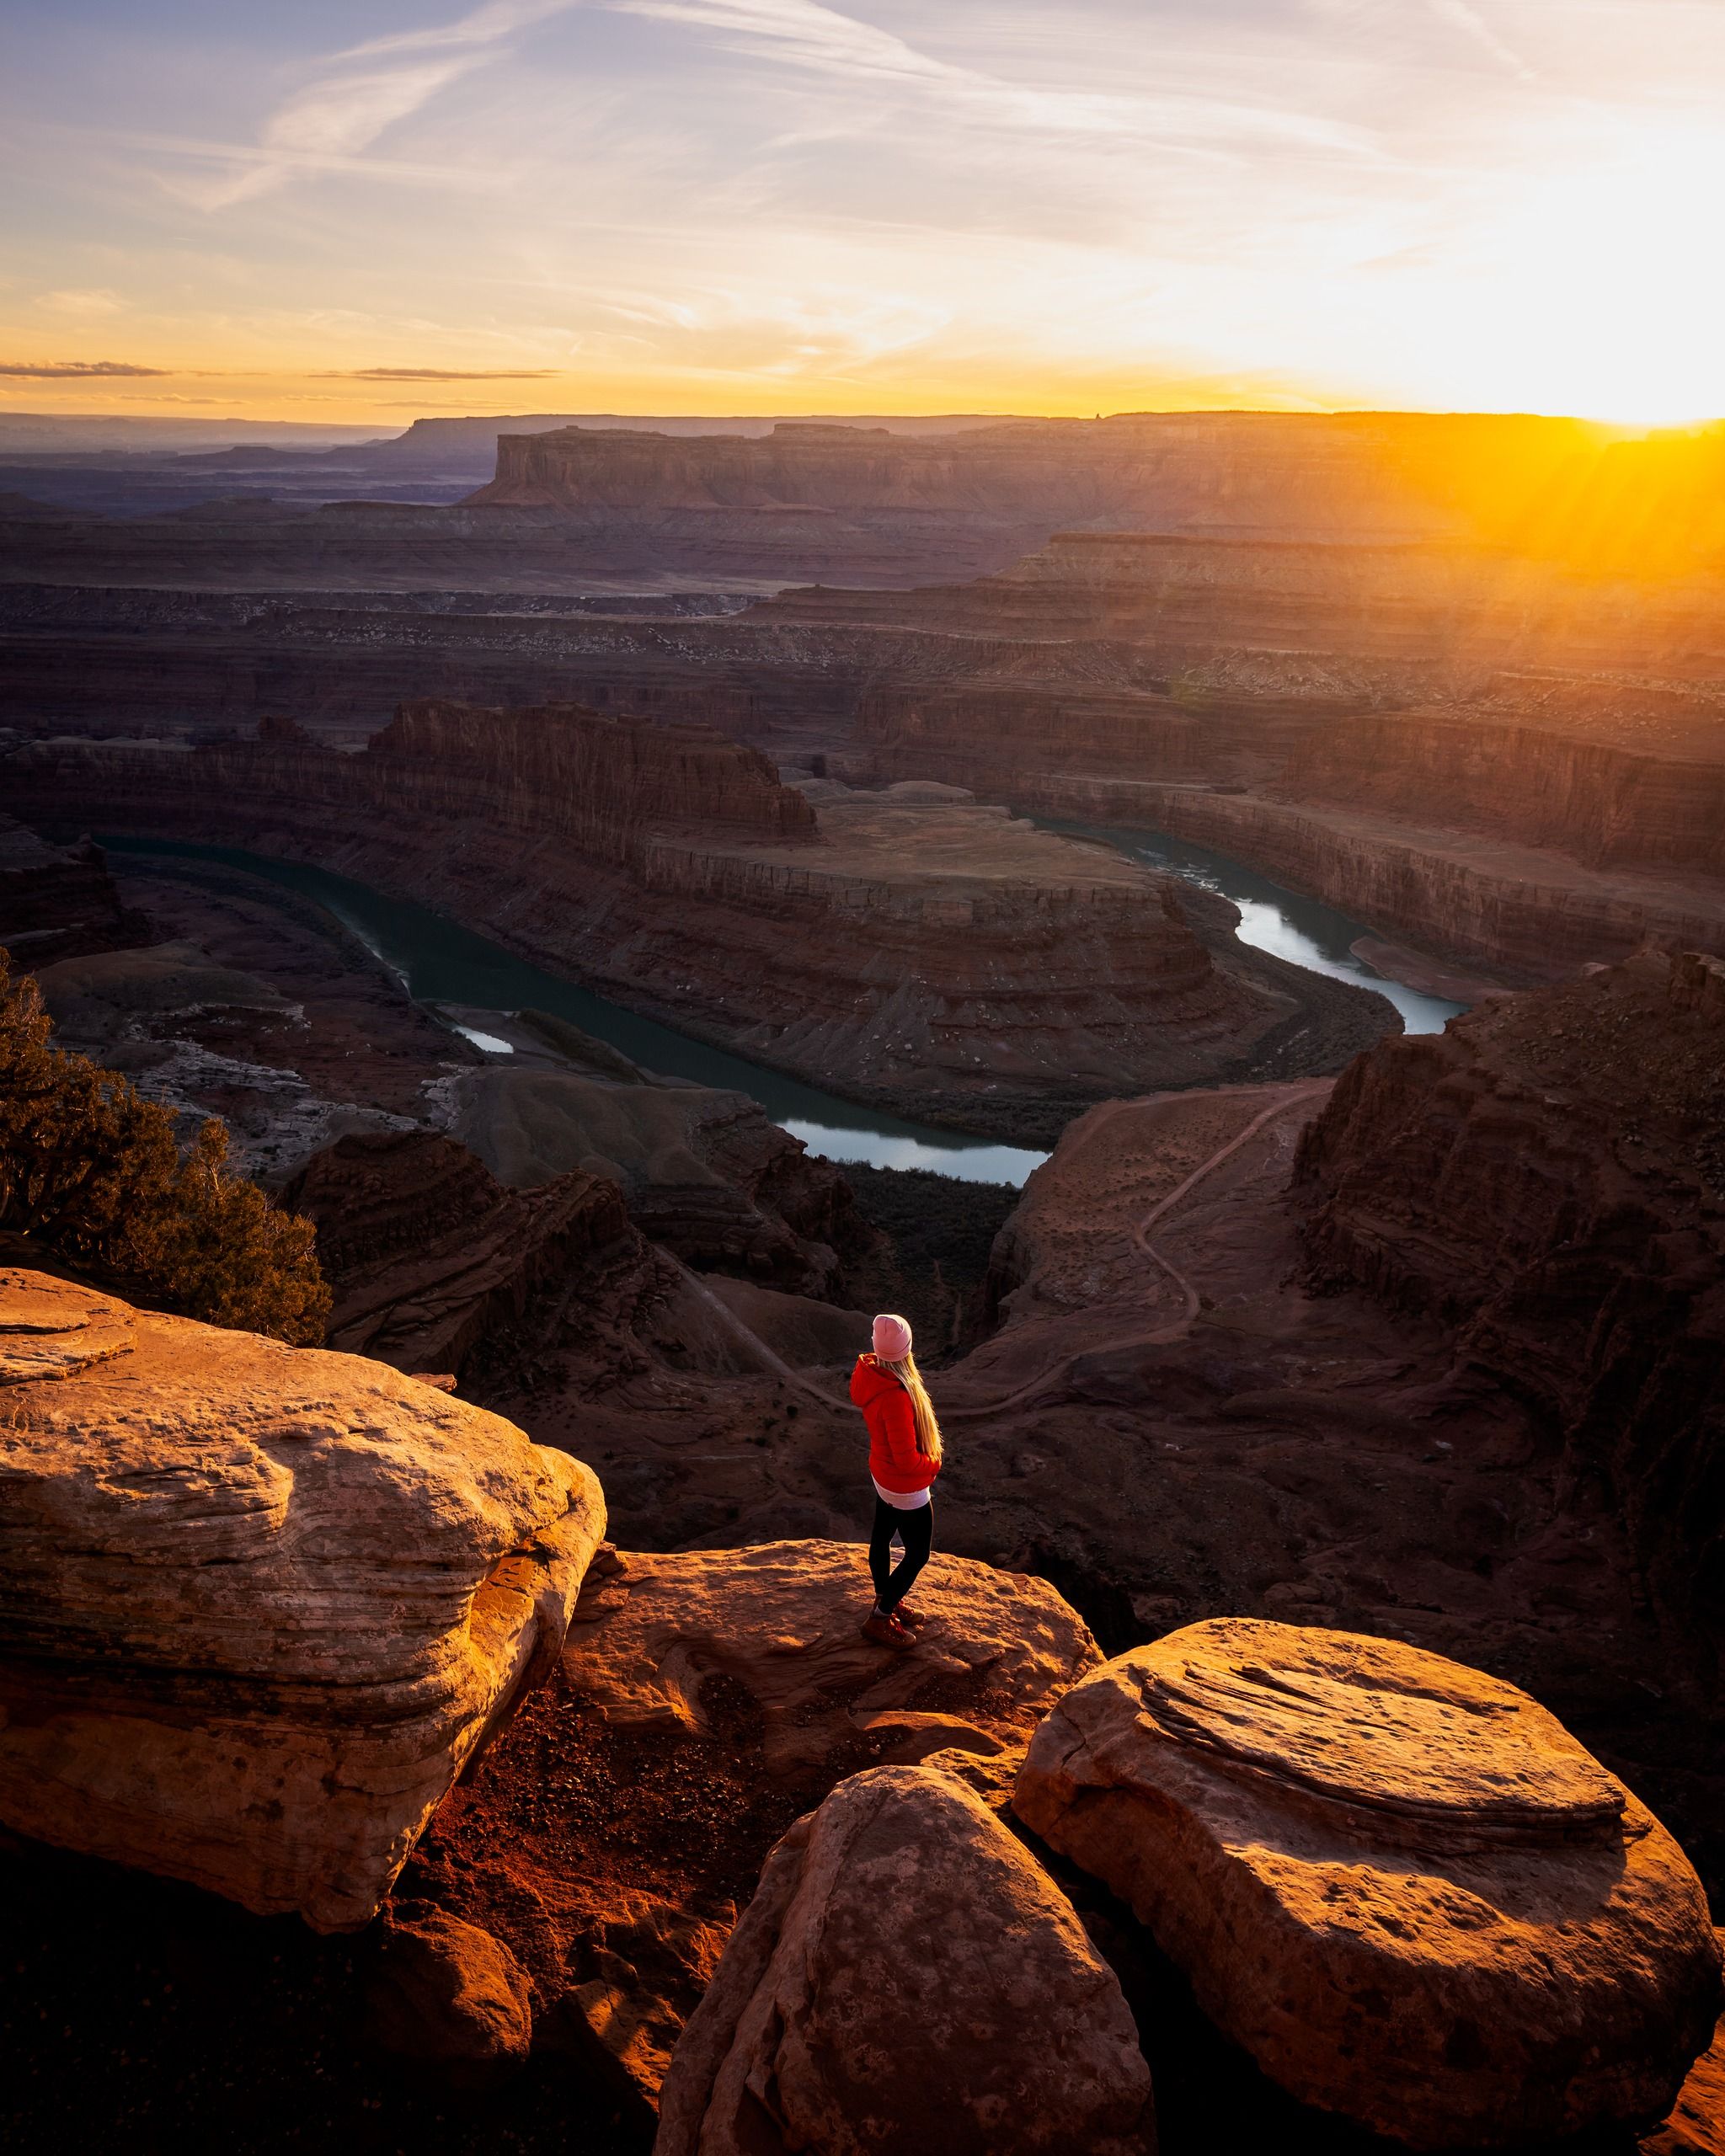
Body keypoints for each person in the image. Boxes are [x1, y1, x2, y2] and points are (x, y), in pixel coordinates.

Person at [850, 1312, 943, 1649]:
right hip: (904, 1486)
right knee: (918, 1554)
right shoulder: (897, 1396)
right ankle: (880, 1616)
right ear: (907, 1350)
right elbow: (907, 1460)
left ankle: (885, 1598)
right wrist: (932, 1465)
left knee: (882, 1537)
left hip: (882, 1474)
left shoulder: (870, 1374)